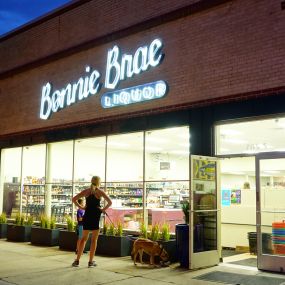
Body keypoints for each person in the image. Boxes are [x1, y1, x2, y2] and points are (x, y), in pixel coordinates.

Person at [71, 176, 112, 268]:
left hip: (87, 215)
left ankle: (77, 260)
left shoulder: (86, 191)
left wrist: (81, 207)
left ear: (91, 181)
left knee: (83, 239)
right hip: (95, 216)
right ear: (99, 182)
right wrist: (102, 209)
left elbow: (74, 199)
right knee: (94, 240)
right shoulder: (100, 192)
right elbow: (110, 202)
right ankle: (90, 262)